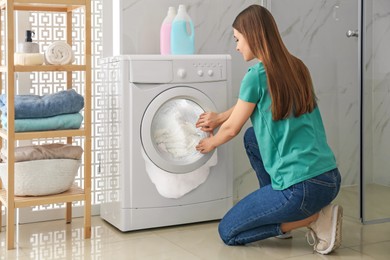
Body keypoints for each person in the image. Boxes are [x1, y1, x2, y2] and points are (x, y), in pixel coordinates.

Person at [195, 4, 342, 255]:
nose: (237, 46)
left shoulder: (255, 75)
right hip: (329, 180)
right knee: (253, 137)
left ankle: (313, 219)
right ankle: (283, 208)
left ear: (252, 36)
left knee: (228, 232)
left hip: (301, 189)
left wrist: (209, 144)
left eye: (238, 39)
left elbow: (232, 129)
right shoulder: (297, 67)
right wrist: (219, 117)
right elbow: (250, 105)